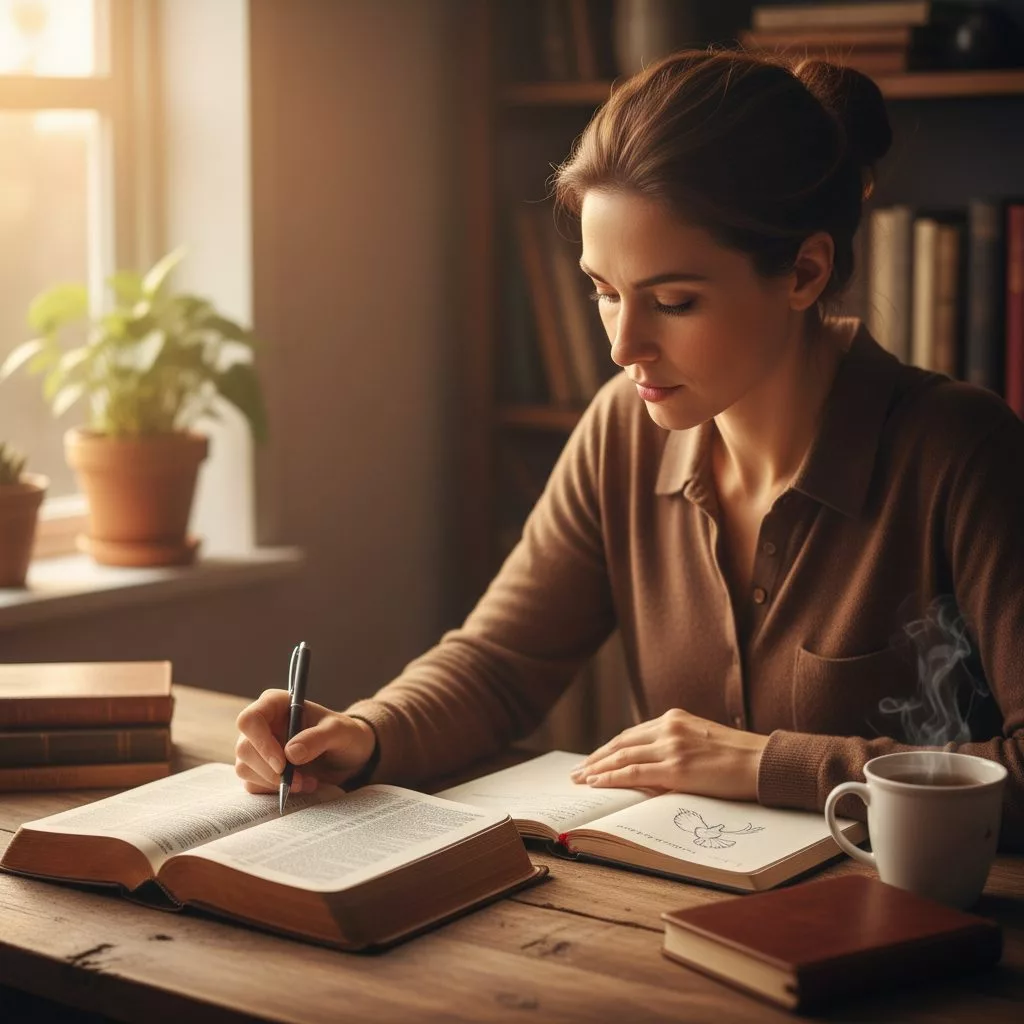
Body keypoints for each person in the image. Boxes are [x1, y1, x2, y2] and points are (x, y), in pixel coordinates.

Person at [234, 49, 1024, 849]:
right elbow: (500, 664)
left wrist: (765, 764)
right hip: (668, 928)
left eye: (673, 301)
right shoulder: (624, 431)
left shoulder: (962, 456)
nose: (623, 346)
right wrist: (363, 734)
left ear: (805, 271)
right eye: (604, 293)